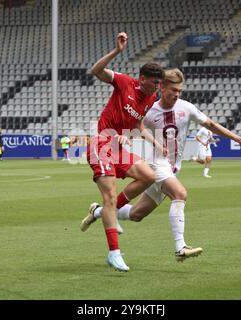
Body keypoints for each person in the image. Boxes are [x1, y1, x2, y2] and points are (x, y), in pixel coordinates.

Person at [81, 69, 241, 262]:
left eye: (180, 90)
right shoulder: (149, 109)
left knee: (137, 214)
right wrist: (124, 137)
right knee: (180, 193)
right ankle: (180, 247)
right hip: (156, 164)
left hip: (173, 168)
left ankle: (98, 211)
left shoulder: (186, 108)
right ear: (162, 87)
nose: (177, 94)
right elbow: (132, 126)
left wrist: (237, 138)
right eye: (173, 89)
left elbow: (211, 124)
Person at [81, 32, 166, 272]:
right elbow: (95, 71)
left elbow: (137, 125)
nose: (158, 88)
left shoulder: (149, 99)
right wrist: (117, 52)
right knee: (109, 196)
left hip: (118, 147)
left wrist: (155, 142)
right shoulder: (124, 82)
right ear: (142, 79)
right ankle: (114, 253)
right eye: (155, 83)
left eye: (160, 84)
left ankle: (105, 212)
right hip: (102, 145)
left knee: (149, 176)